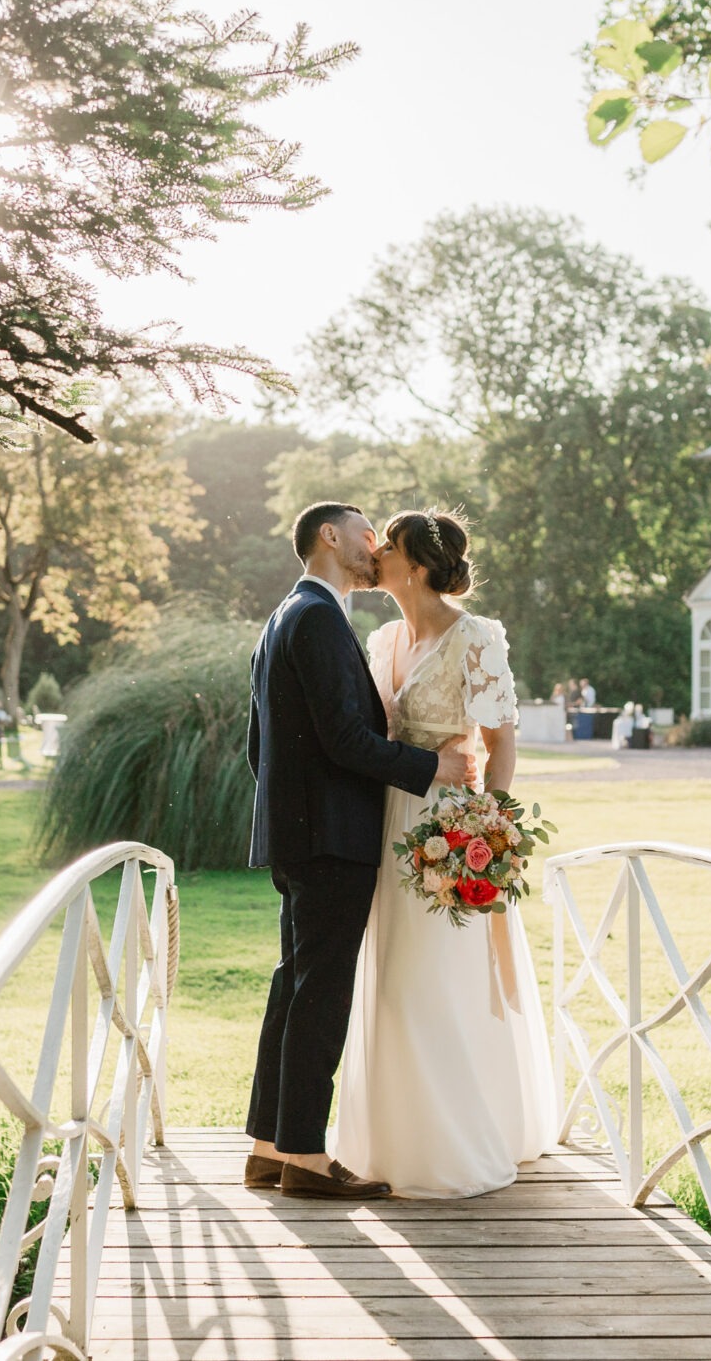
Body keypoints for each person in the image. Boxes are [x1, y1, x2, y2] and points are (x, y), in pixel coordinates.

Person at [245, 502, 474, 1200]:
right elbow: (344, 738)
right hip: (329, 836)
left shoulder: (289, 615)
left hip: (300, 832)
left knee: (295, 986)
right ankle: (307, 1158)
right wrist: (431, 768)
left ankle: (267, 1147)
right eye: (365, 530)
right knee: (320, 993)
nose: (374, 544)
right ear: (329, 536)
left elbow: (262, 744)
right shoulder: (315, 617)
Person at [336, 508, 559, 1198]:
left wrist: (487, 833)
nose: (376, 554)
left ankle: (460, 1141)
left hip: (448, 828)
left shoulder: (478, 637)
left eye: (389, 547)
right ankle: (398, 1140)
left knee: (442, 978)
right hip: (387, 820)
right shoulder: (382, 639)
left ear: (419, 565)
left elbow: (501, 742)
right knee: (395, 982)